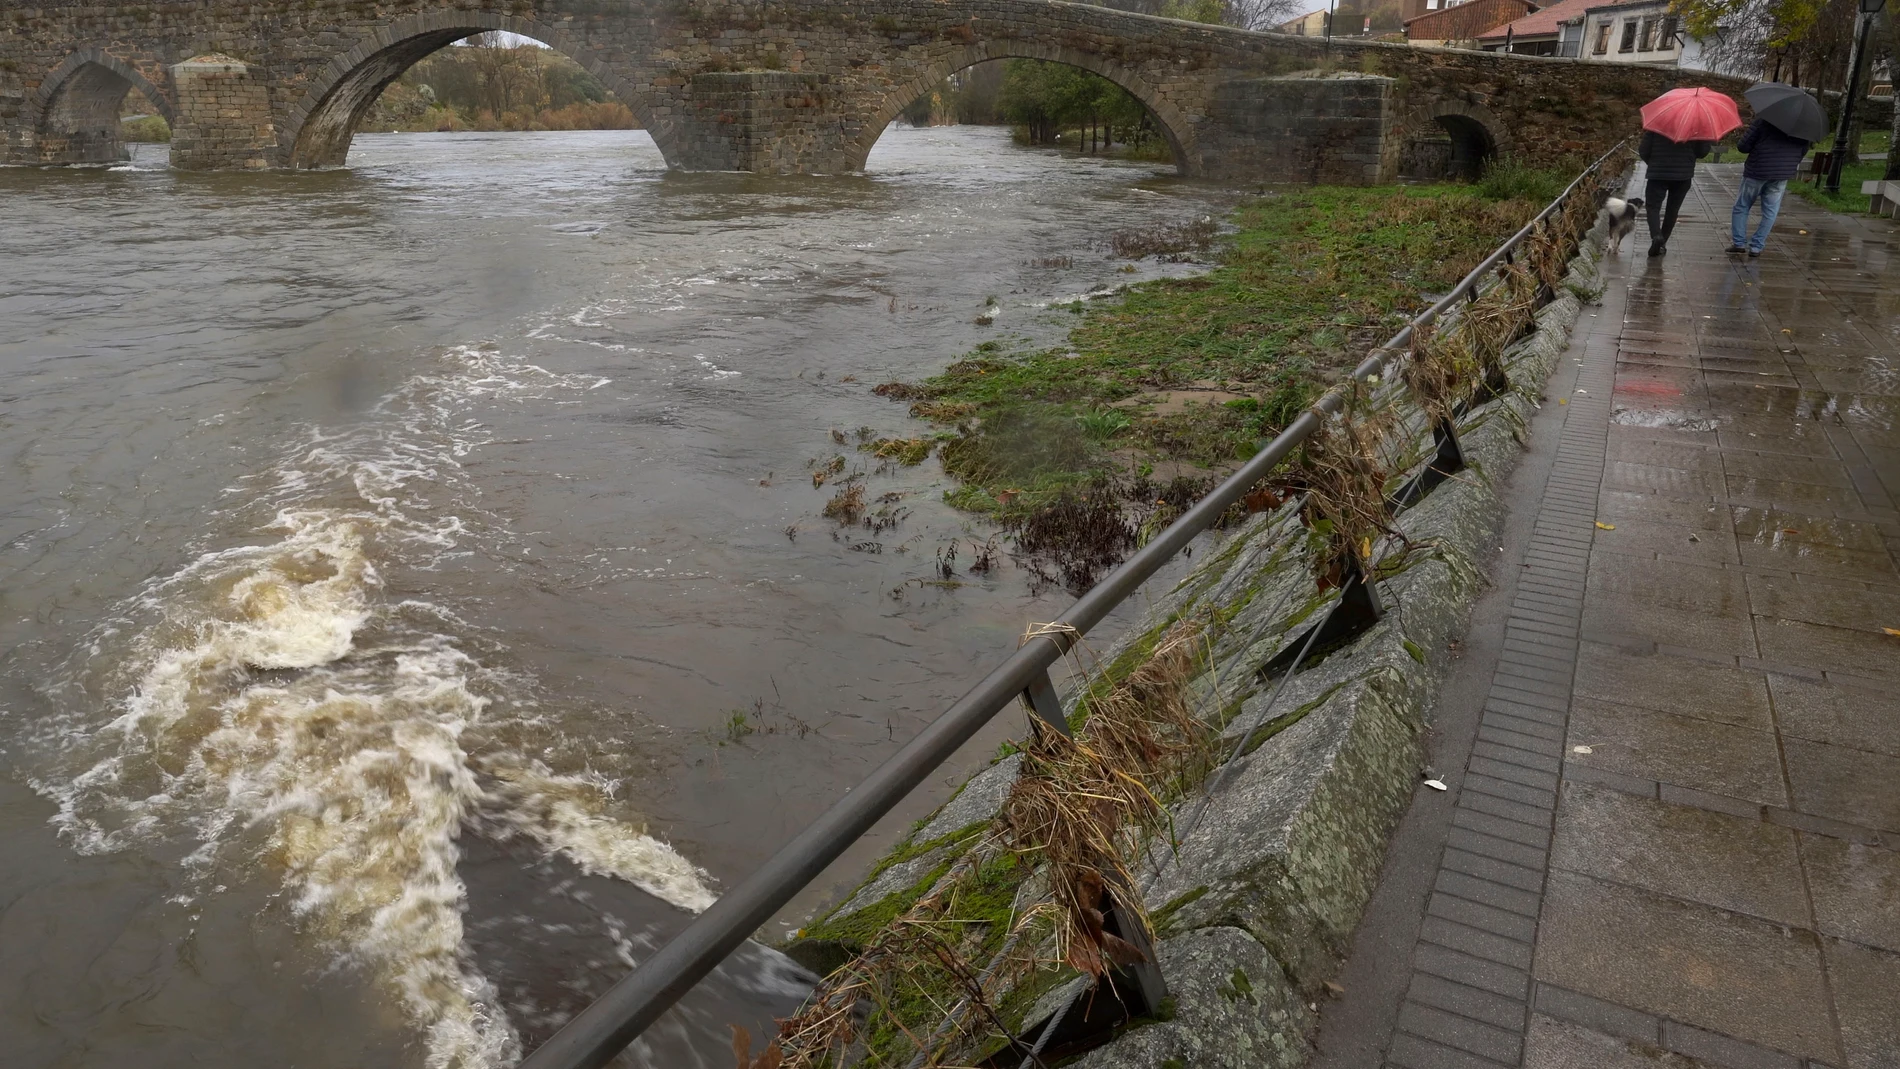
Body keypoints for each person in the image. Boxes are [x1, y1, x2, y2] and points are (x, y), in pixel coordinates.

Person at [1731, 116, 1810, 257]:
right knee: (1770, 211)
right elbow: (1803, 150)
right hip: (1782, 173)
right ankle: (1756, 246)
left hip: (1757, 170)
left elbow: (1743, 147)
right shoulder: (1803, 126)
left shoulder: (1764, 120)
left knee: (1742, 206)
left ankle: (1739, 243)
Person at [1637, 129, 1712, 257]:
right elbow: (1702, 152)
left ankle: (1656, 236)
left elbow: (1643, 150)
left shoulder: (1658, 124)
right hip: (1683, 176)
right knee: (1672, 210)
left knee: (1653, 207)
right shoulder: (1696, 127)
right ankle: (1662, 243)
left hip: (1657, 174)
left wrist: (1654, 163)